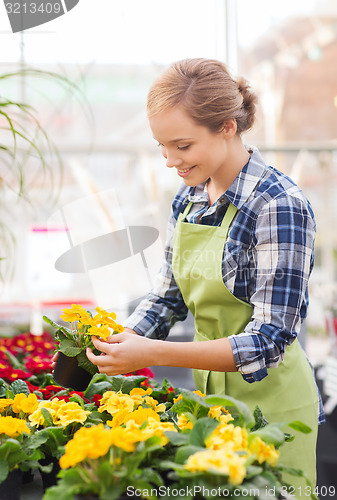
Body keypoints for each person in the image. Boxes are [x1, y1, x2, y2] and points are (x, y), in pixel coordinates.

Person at [85, 58, 324, 496]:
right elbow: (167, 298)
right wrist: (116, 344)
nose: (170, 160)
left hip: (275, 413)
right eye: (162, 146)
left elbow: (268, 340)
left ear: (228, 127)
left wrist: (153, 352)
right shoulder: (190, 197)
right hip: (212, 406)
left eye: (183, 145)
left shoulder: (278, 206)